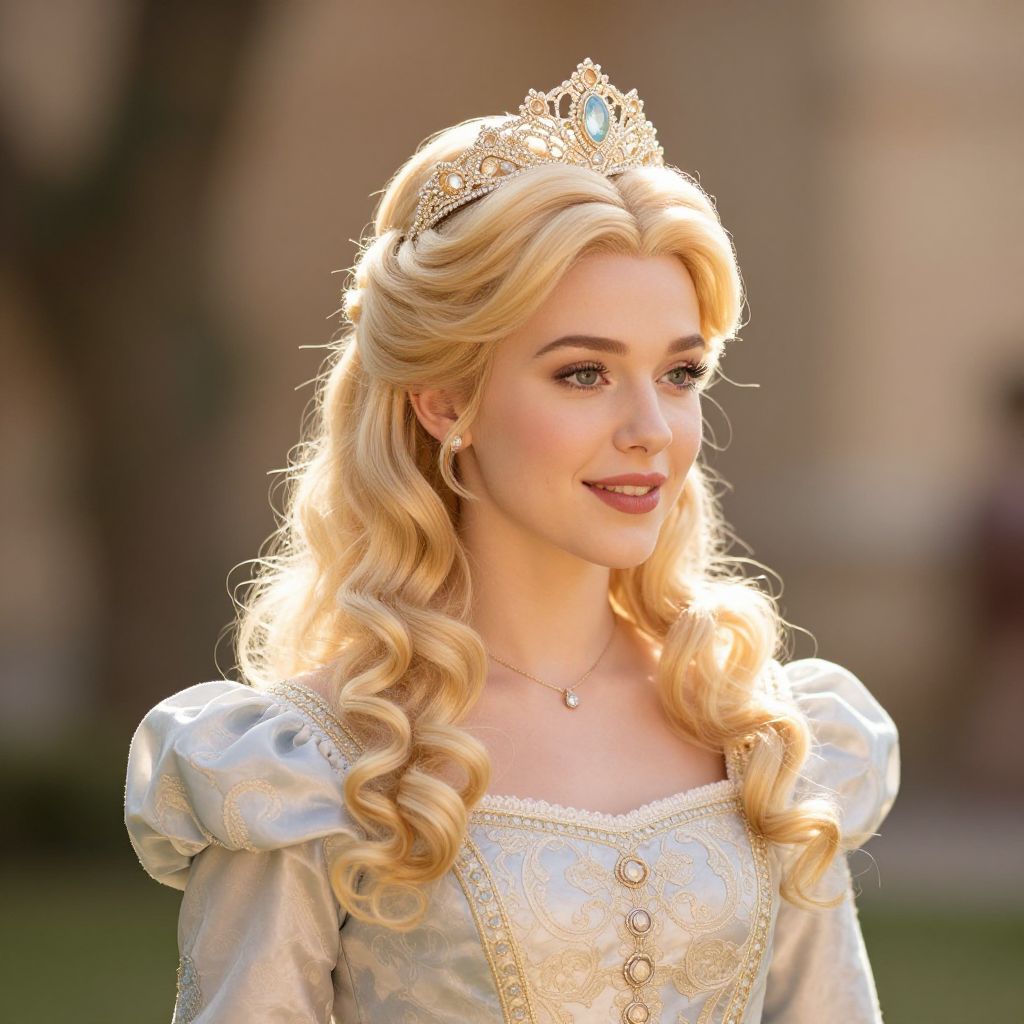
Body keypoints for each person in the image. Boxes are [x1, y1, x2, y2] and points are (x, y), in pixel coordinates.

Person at [124, 57, 900, 1024]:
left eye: (681, 372)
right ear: (447, 401)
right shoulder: (313, 769)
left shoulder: (761, 734)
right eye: (584, 374)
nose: (651, 429)